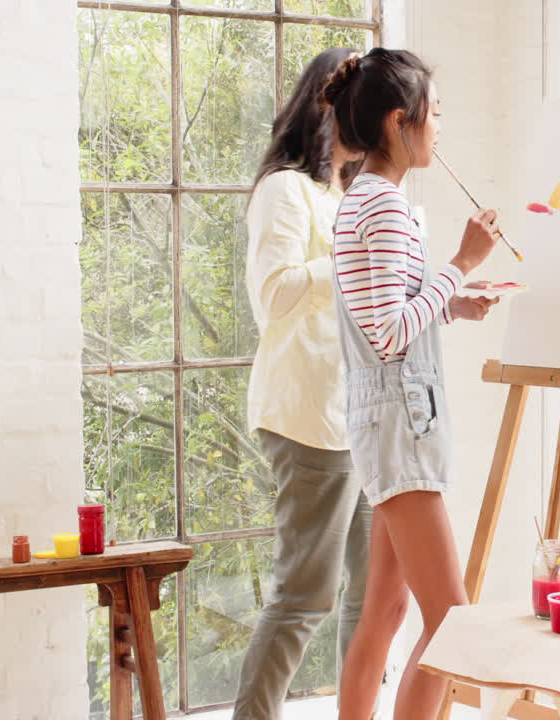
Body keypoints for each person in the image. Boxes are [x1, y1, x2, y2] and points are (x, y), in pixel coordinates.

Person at [321, 48, 501, 719]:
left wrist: (453, 302)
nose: (440, 127)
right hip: (402, 425)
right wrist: (460, 263)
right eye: (435, 114)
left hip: (386, 421)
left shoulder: (364, 199)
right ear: (400, 121)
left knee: (387, 611)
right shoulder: (387, 207)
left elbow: (387, 312)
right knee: (452, 622)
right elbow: (391, 333)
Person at [233, 47, 376, 720]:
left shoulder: (344, 194)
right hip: (307, 415)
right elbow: (274, 294)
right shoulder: (284, 189)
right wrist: (348, 259)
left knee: (373, 596)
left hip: (360, 417)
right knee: (304, 597)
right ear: (333, 106)